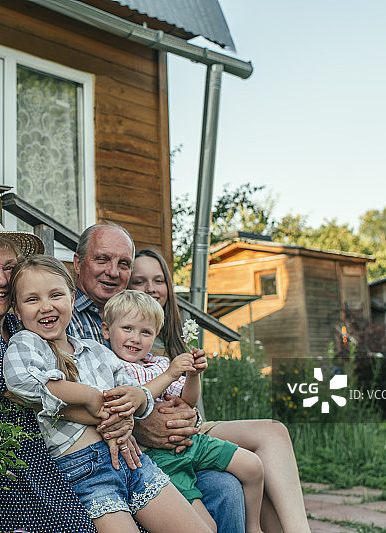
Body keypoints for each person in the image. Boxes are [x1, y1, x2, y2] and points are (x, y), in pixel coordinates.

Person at [0, 215, 135, 533]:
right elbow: (20, 392)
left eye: (9, 267)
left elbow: (70, 382)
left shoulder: (15, 325)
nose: (1, 280)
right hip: (8, 475)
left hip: (56, 459)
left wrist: (120, 413)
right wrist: (111, 417)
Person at [3, 256, 214, 533]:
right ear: (16, 311)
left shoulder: (95, 351)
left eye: (56, 295)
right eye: (32, 300)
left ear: (71, 296)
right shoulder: (27, 343)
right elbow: (24, 383)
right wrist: (90, 396)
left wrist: (135, 402)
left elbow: (131, 394)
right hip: (86, 470)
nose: (46, 306)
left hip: (134, 461)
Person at [67, 223, 247, 532]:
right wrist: (143, 423)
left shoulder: (137, 325)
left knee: (229, 485)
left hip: (172, 445)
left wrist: (185, 416)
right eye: (102, 260)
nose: (113, 271)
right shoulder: (63, 315)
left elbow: (180, 396)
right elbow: (83, 398)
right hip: (120, 453)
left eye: (123, 264)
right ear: (78, 263)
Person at [130, 248, 312, 533]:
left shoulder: (172, 336)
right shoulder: (124, 338)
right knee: (242, 469)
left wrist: (192, 379)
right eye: (139, 282)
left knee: (273, 433)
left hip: (191, 427)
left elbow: (189, 402)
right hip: (156, 436)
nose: (151, 289)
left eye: (158, 280)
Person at [103, 290, 266, 533]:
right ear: (106, 330)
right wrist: (170, 374)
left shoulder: (157, 363)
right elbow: (133, 402)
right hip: (160, 460)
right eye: (127, 328)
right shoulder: (108, 365)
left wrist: (192, 375)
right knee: (206, 526)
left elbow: (188, 401)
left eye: (145, 332)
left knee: (253, 466)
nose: (136, 338)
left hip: (190, 443)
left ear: (155, 336)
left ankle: (254, 528)